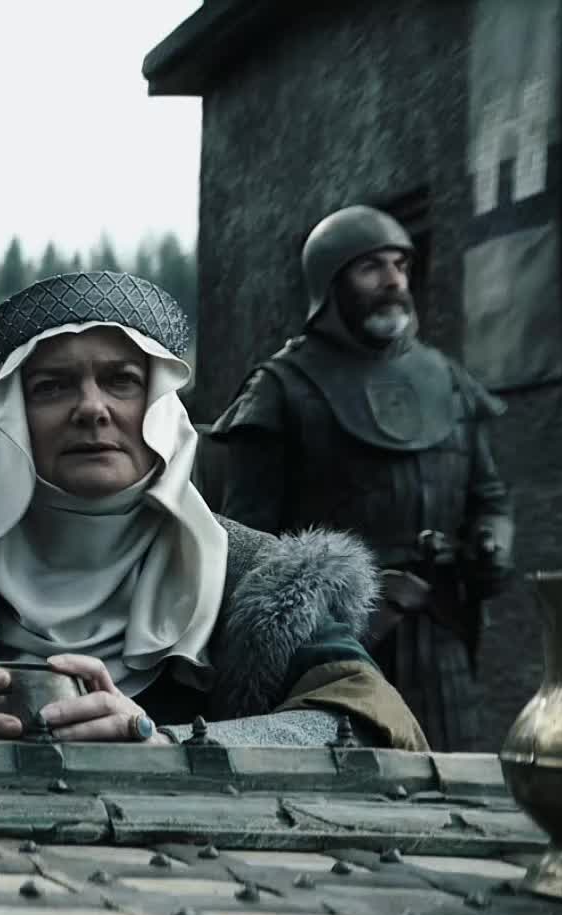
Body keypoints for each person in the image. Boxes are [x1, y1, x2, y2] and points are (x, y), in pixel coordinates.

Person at [0, 271, 426, 751]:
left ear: (161, 409)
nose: (92, 409)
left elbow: (369, 724)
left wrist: (170, 749)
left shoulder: (257, 578)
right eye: (53, 387)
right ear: (11, 421)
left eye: (121, 381)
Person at [206, 206, 514, 751]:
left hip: (441, 634)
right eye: (371, 267)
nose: (394, 281)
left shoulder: (447, 380)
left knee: (455, 772)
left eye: (401, 265)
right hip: (332, 645)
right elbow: (242, 541)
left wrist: (494, 541)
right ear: (330, 283)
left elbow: (489, 494)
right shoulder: (282, 388)